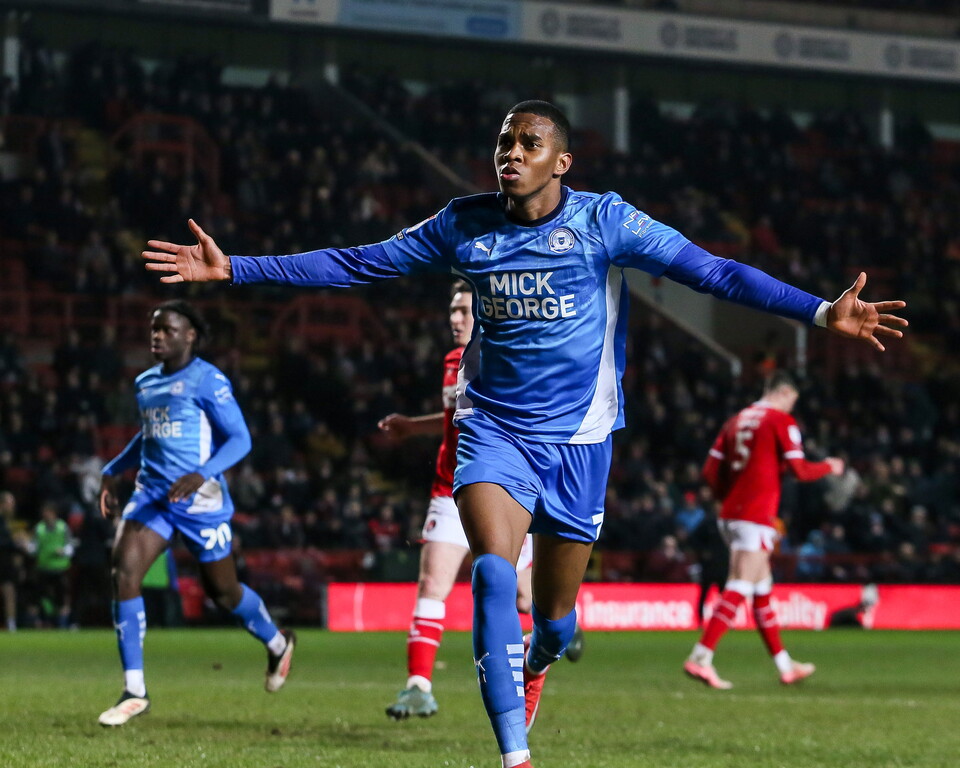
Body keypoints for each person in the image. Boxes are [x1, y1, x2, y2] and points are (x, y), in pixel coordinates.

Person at [143, 101, 906, 768]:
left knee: (555, 622)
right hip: (493, 429)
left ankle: (539, 658)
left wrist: (818, 311)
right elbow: (359, 263)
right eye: (504, 141)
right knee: (492, 574)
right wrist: (236, 268)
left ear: (561, 161)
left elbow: (715, 272)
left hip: (581, 441)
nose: (510, 152)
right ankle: (515, 754)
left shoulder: (606, 222)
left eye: (528, 142)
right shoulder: (463, 223)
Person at [379, 281, 574, 721]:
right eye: (452, 310)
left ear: (487, 311)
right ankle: (418, 686)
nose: (455, 318)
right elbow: (454, 417)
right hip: (449, 487)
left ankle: (550, 637)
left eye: (464, 310)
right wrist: (413, 426)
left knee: (525, 596)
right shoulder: (453, 360)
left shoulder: (512, 356)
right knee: (432, 582)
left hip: (503, 491)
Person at [97, 300, 295, 727]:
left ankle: (278, 643)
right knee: (124, 572)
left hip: (200, 502)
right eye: (154, 329)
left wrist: (201, 473)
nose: (157, 336)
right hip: (153, 496)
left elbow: (240, 439)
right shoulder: (146, 382)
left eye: (166, 330)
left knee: (223, 593)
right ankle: (135, 690)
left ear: (190, 336)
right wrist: (112, 469)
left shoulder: (209, 380)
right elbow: (149, 436)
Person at [684, 371, 845, 690]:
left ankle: (786, 666)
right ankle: (701, 656)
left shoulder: (736, 420)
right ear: (784, 392)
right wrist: (829, 466)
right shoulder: (780, 421)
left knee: (761, 589)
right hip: (755, 515)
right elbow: (800, 470)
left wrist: (728, 498)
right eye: (792, 401)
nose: (791, 408)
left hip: (730, 514)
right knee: (740, 584)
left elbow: (710, 471)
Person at [30, 501, 75, 628]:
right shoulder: (39, 528)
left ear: (54, 514)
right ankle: (46, 620)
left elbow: (71, 546)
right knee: (43, 596)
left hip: (60, 568)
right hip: (43, 568)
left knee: (62, 597)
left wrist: (64, 551)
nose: (45, 515)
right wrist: (27, 546)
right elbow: (34, 547)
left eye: (48, 512)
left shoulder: (63, 527)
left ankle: (62, 623)